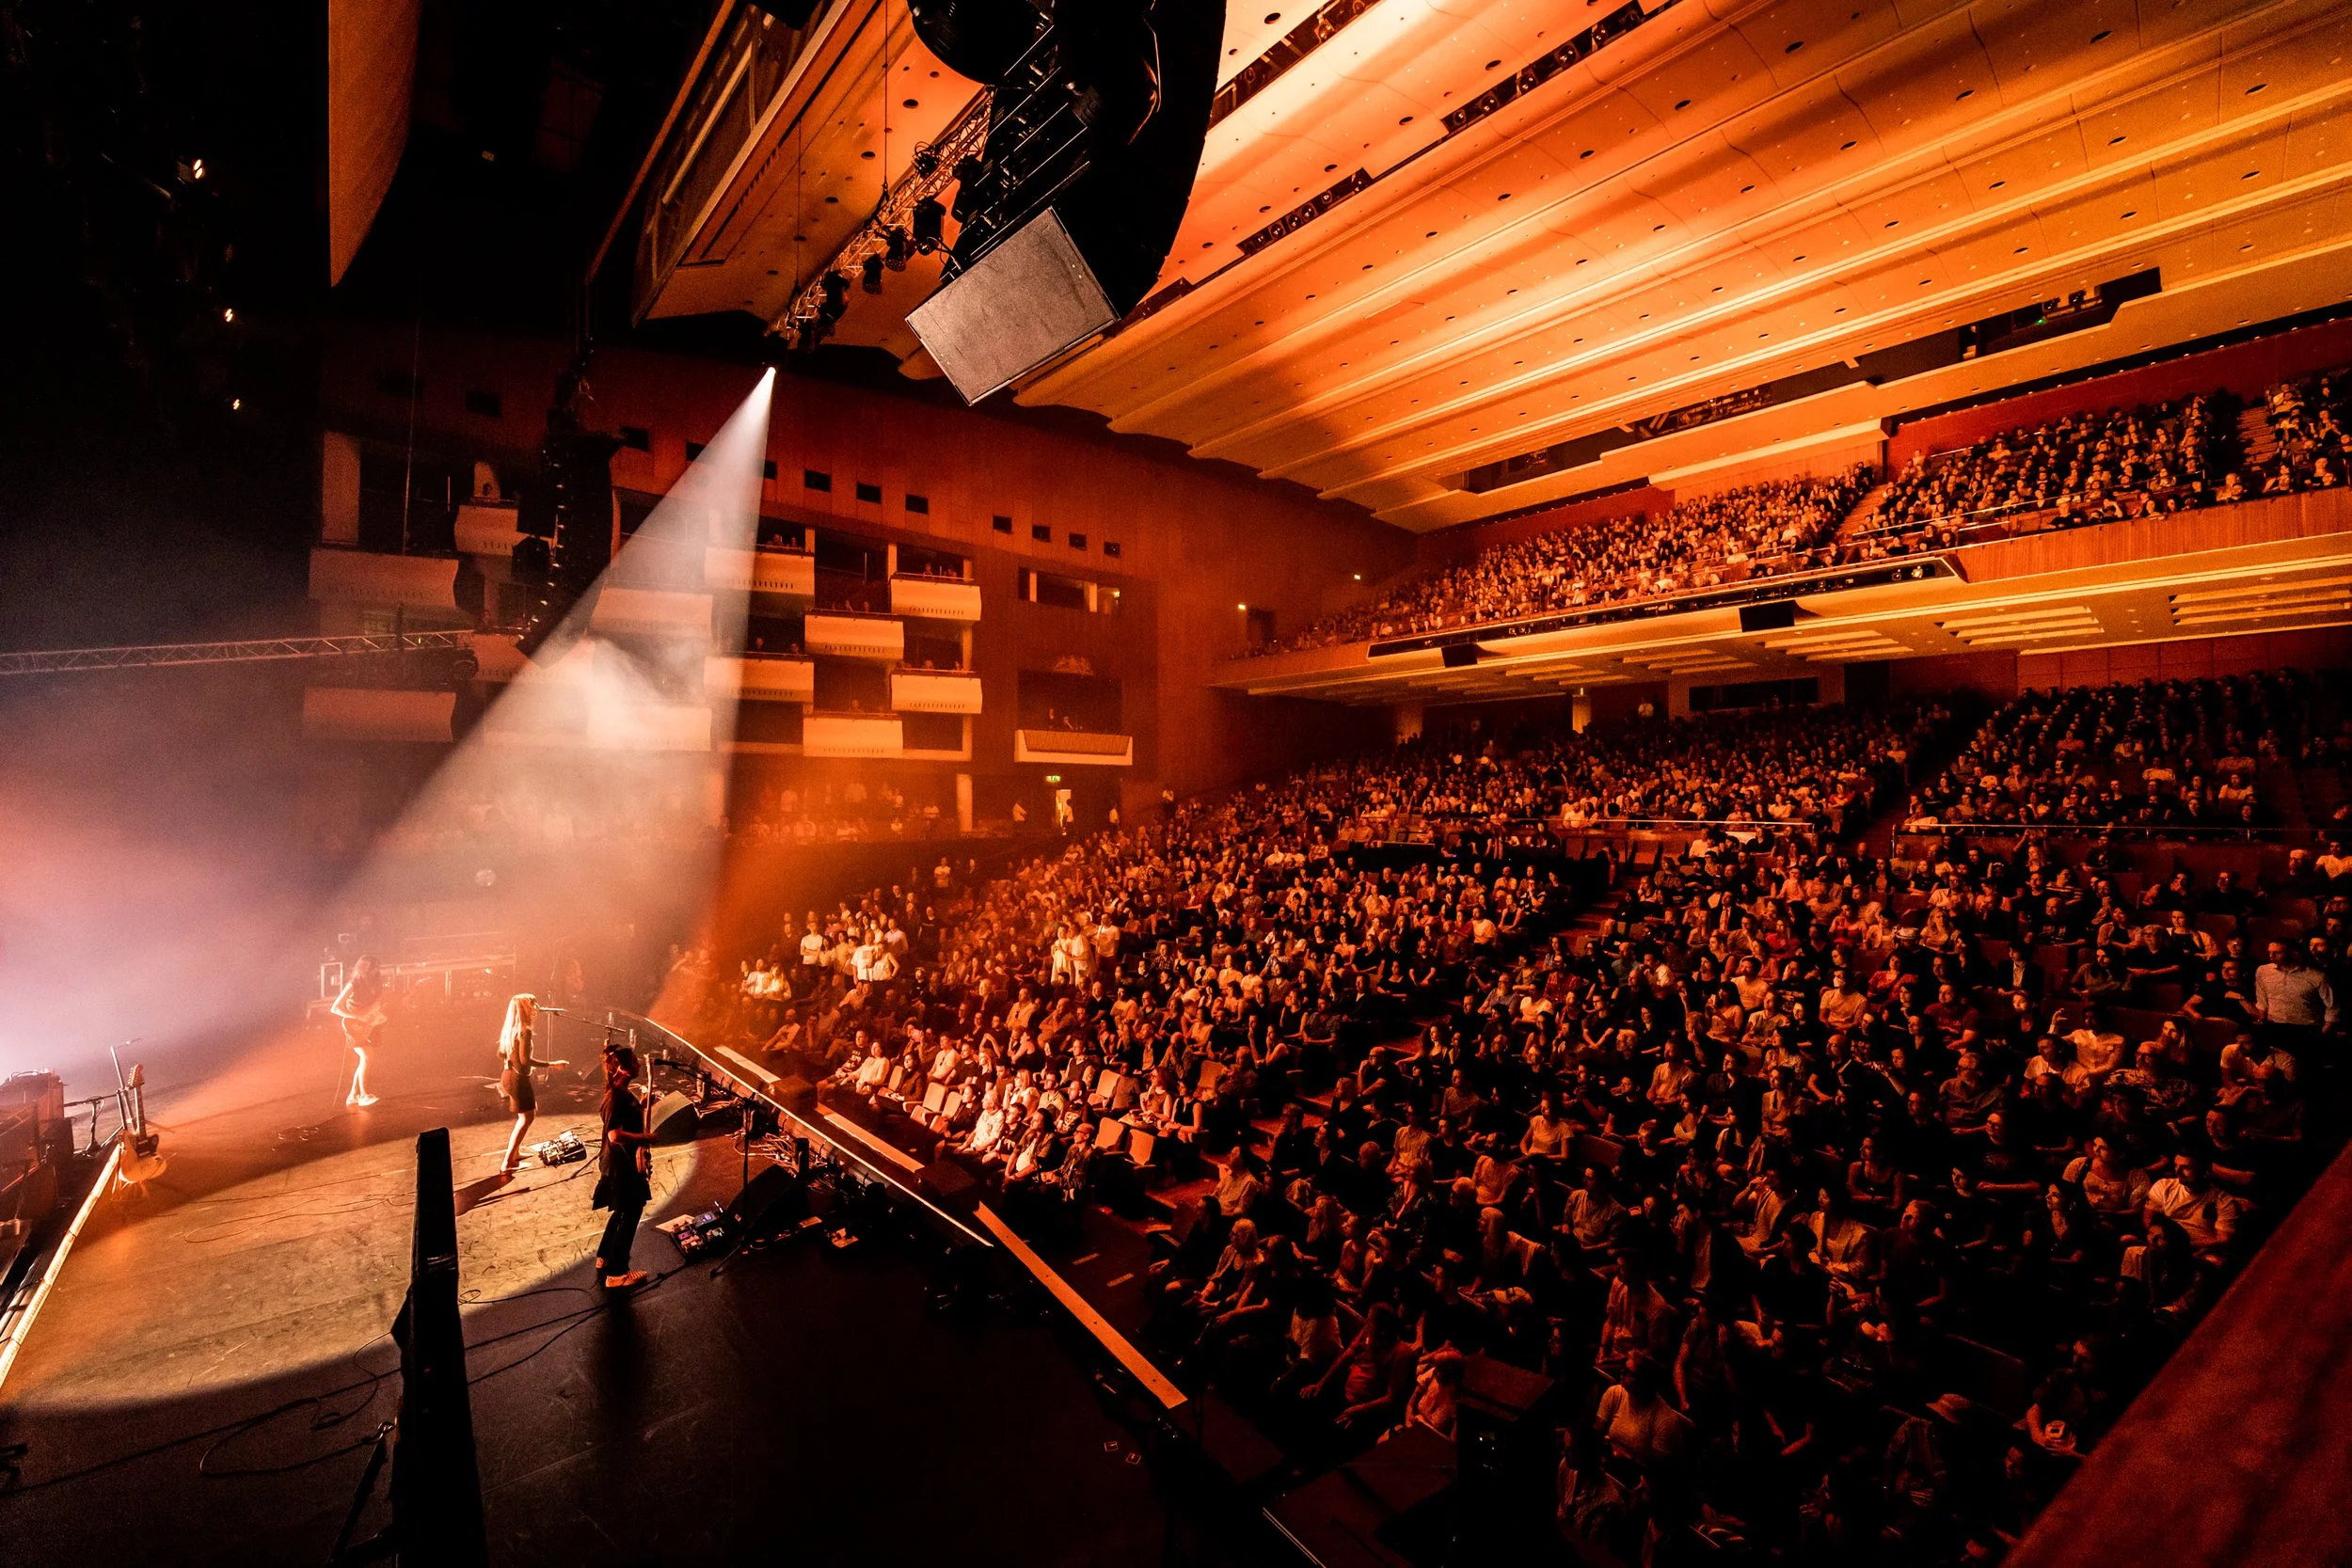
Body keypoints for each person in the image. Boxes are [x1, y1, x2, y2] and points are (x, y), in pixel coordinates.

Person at [593, 1046, 657, 1290]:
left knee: (621, 1210)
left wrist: (641, 1104)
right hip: (621, 1166)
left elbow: (624, 1118)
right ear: (622, 1067)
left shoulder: (621, 1094)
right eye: (635, 1061)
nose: (639, 1065)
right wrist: (645, 1138)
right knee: (631, 1212)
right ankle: (617, 1273)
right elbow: (615, 1135)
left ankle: (605, 1256)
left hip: (619, 1164)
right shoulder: (616, 1097)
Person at [497, 993, 568, 1174]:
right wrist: (553, 1065)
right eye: (532, 1004)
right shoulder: (524, 1031)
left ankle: (515, 1152)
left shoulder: (509, 1030)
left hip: (508, 1076)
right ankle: (508, 1163)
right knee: (526, 1118)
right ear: (525, 1008)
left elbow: (502, 1055)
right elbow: (525, 1060)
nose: (536, 1007)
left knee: (528, 1113)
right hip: (518, 1080)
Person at [330, 955, 388, 1109]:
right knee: (367, 1056)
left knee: (365, 1059)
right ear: (367, 968)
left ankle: (352, 1096)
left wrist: (374, 1013)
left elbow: (377, 1002)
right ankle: (363, 1095)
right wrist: (357, 1016)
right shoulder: (353, 984)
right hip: (353, 1024)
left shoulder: (376, 983)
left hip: (368, 1023)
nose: (377, 971)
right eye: (375, 968)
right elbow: (335, 1008)